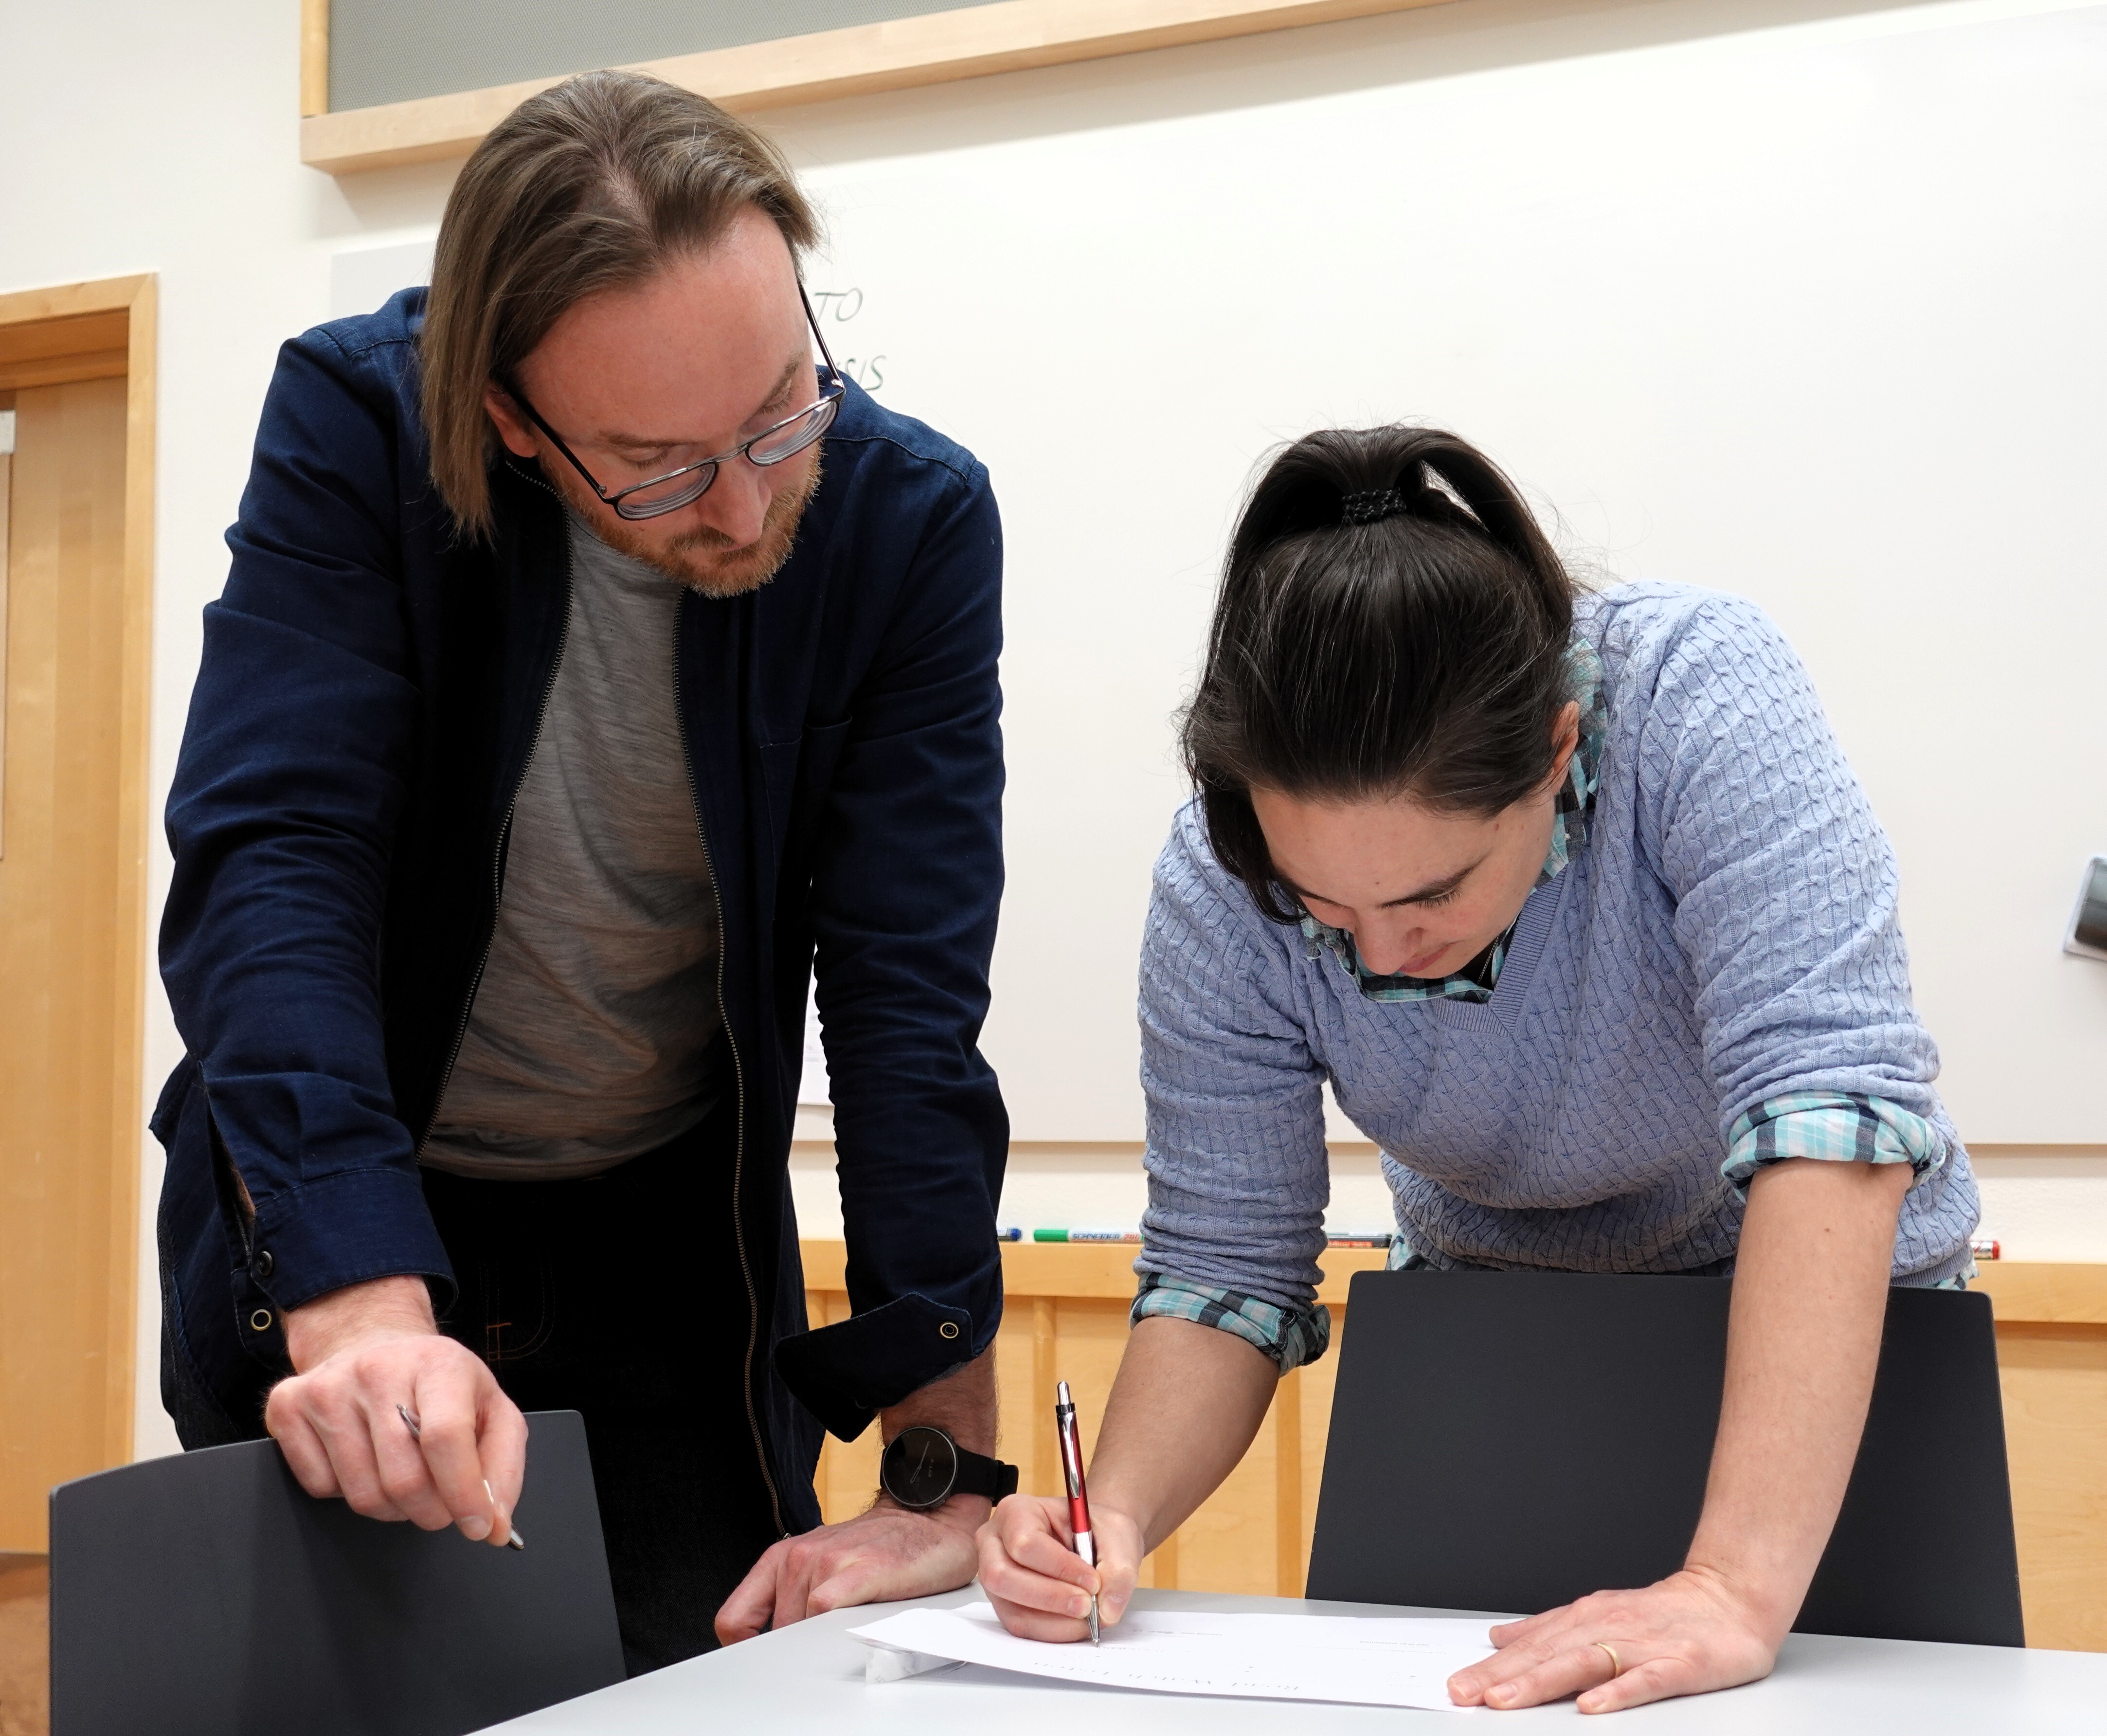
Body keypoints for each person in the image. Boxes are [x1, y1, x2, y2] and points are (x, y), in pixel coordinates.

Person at [155, 70, 1008, 1673]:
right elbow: (276, 860)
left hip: (666, 1257)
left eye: (779, 411)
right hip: (349, 1198)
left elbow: (904, 995)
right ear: (505, 417)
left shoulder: (910, 524)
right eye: (660, 467)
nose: (750, 505)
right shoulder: (362, 432)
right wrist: (359, 1298)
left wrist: (938, 1468)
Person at [976, 426, 1979, 1714]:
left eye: (1430, 891)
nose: (1382, 956)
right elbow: (1224, 1264)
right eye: (1323, 909)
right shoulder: (1221, 879)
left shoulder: (1692, 691)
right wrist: (1104, 1524)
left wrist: (1732, 1582)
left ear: (1555, 757)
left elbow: (1827, 1111)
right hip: (1480, 1354)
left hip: (1827, 1366)